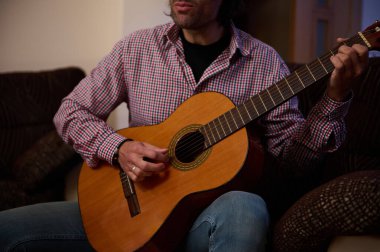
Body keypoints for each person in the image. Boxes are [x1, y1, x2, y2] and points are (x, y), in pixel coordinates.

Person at [0, 0, 369, 251]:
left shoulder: (264, 62)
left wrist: (334, 98)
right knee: (7, 229)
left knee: (246, 207)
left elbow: (294, 163)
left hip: (209, 221)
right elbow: (71, 112)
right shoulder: (136, 49)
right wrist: (119, 148)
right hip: (128, 211)